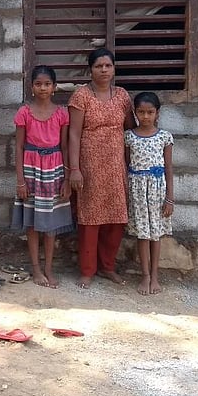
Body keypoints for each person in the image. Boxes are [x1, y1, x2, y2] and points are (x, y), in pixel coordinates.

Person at [67, 48, 135, 288]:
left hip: (116, 165)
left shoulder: (123, 96)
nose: (104, 70)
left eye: (108, 65)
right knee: (90, 218)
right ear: (91, 69)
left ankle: (107, 267)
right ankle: (87, 270)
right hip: (90, 165)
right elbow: (73, 134)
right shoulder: (81, 96)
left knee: (116, 218)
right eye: (99, 66)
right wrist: (74, 169)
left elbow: (130, 130)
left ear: (114, 68)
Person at [11, 65, 74, 288]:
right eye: (38, 84)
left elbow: (65, 147)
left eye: (47, 84)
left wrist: (67, 179)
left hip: (54, 169)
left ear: (54, 87)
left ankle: (49, 268)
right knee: (32, 222)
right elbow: (18, 147)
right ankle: (36, 269)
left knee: (50, 223)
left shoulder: (61, 114)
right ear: (32, 87)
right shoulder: (24, 113)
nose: (43, 88)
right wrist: (20, 181)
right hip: (30, 169)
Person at [125, 91, 174, 295]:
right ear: (135, 113)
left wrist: (170, 198)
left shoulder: (165, 137)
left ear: (157, 113)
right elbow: (127, 164)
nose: (145, 116)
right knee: (142, 234)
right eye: (141, 112)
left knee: (156, 234)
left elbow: (169, 169)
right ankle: (144, 275)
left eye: (150, 112)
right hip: (137, 190)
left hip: (157, 190)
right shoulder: (129, 136)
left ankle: (155, 275)